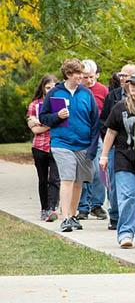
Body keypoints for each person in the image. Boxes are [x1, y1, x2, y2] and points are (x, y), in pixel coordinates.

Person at [39, 58, 100, 232]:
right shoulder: (55, 93)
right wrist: (57, 116)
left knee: (79, 181)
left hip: (83, 144)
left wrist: (93, 148)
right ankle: (65, 218)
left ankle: (72, 216)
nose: (82, 76)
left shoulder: (86, 94)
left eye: (82, 73)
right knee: (67, 178)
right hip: (62, 143)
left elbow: (96, 123)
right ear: (68, 74)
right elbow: (44, 118)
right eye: (78, 73)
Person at [100, 72, 135, 248]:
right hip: (124, 156)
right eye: (130, 84)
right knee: (127, 195)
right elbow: (111, 132)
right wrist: (104, 155)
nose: (132, 87)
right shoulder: (120, 106)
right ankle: (125, 233)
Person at [100, 63, 135, 230]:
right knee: (118, 187)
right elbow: (106, 124)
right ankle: (116, 217)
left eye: (128, 77)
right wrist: (107, 150)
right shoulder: (114, 97)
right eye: (122, 76)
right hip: (118, 149)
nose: (123, 79)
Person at [76, 59, 108, 221]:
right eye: (85, 77)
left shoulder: (103, 90)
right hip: (80, 137)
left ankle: (97, 204)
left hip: (98, 136)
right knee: (83, 172)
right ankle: (83, 207)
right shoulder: (76, 91)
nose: (88, 81)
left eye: (91, 77)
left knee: (97, 171)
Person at [27, 75, 60, 222]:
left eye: (53, 87)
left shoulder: (60, 103)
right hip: (39, 146)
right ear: (42, 88)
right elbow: (35, 130)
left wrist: (42, 122)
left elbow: (64, 124)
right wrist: (54, 121)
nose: (50, 90)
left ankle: (52, 208)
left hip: (56, 145)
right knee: (42, 179)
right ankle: (44, 208)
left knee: (55, 179)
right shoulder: (35, 105)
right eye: (47, 88)